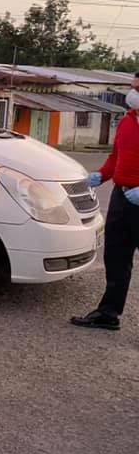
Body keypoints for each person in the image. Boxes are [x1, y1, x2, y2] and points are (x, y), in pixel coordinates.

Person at [71, 74, 139, 331]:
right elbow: (117, 155)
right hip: (122, 197)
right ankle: (108, 313)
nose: (133, 94)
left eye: (138, 89)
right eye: (133, 88)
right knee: (116, 256)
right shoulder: (128, 120)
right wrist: (103, 175)